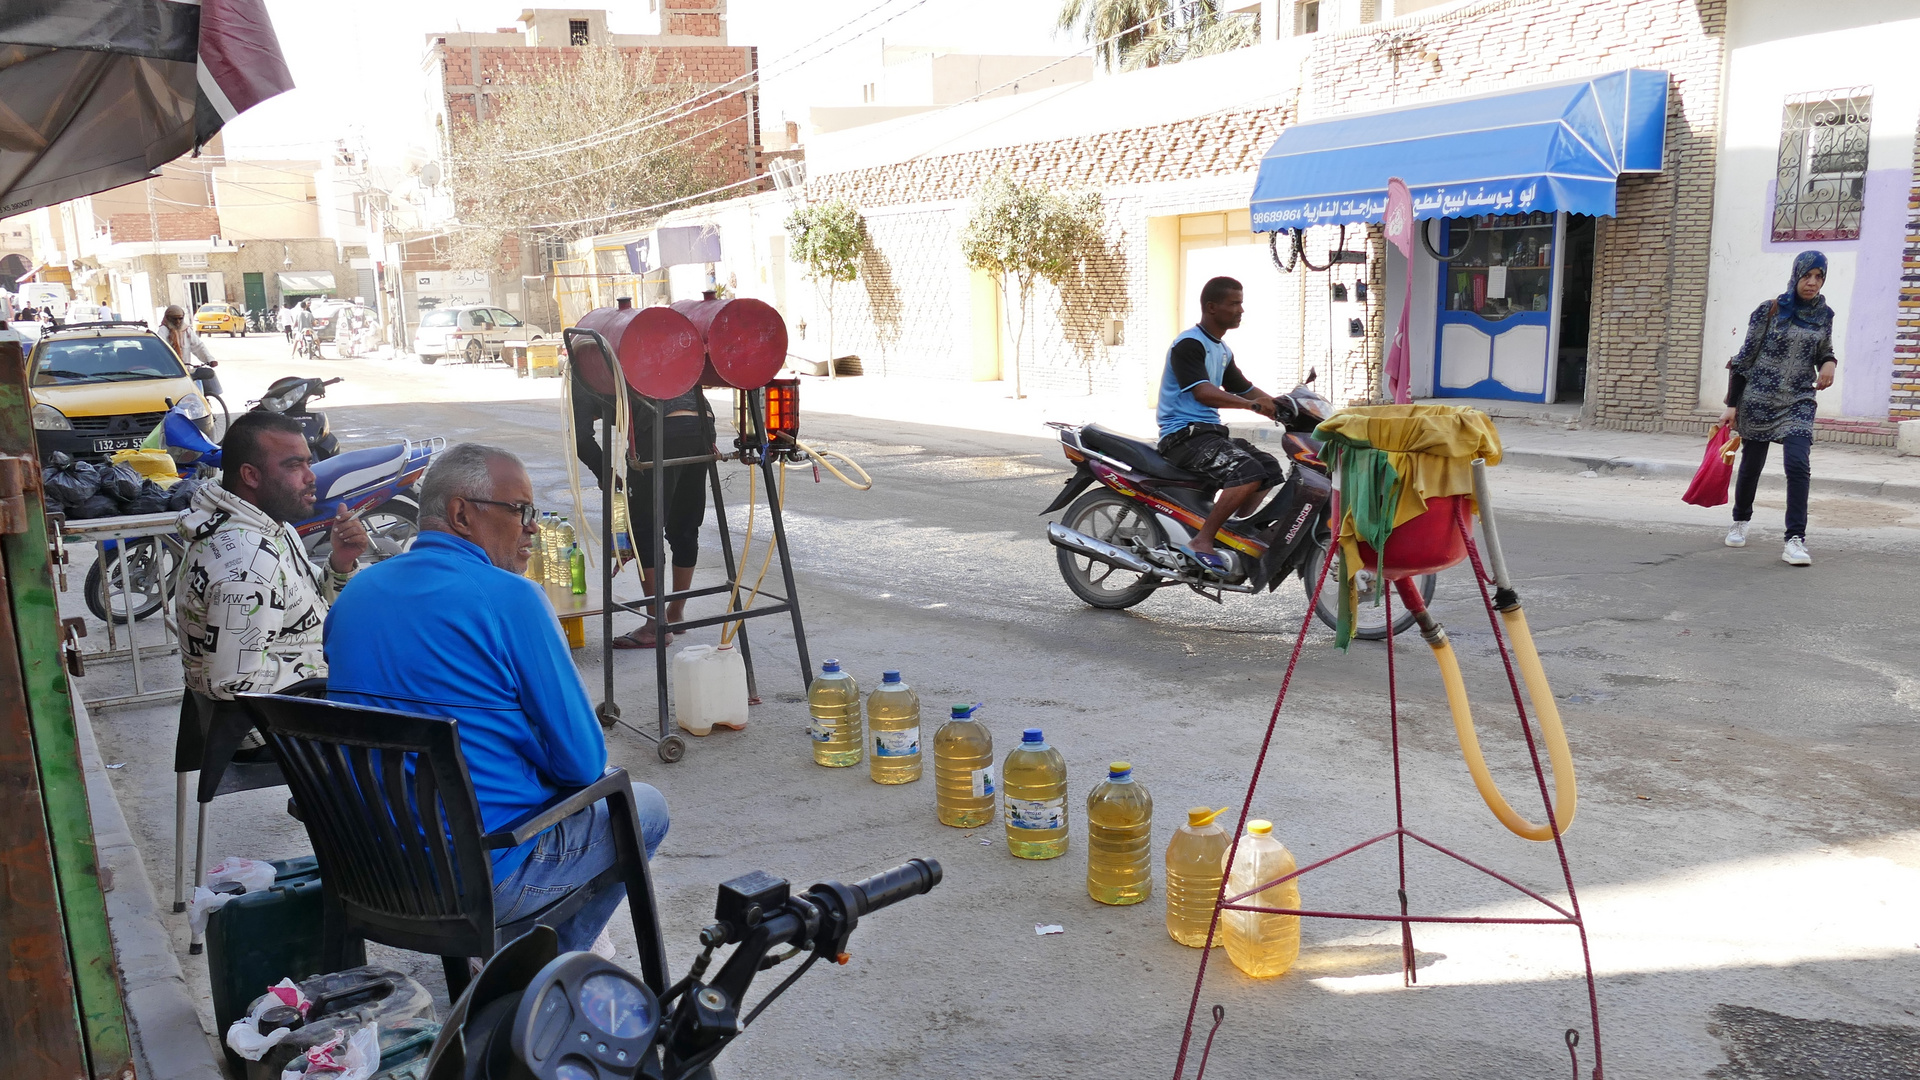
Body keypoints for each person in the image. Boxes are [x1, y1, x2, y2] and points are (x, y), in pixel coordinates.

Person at [324, 443, 670, 955]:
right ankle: (539, 976)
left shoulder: (356, 592)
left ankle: (522, 962)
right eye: (520, 510)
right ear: (462, 514)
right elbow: (583, 764)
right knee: (646, 807)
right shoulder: (511, 599)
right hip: (481, 879)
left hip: (372, 870)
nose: (531, 526)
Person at [177, 412, 370, 699]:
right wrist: (335, 667)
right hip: (276, 736)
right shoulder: (245, 563)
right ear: (251, 476)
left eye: (309, 462)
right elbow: (232, 682)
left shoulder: (272, 527)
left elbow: (305, 611)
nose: (310, 476)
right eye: (294, 466)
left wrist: (340, 564)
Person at [573, 347, 715, 650]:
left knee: (644, 532)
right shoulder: (642, 345)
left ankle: (656, 626)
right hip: (701, 424)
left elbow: (582, 437)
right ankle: (675, 613)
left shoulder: (583, 368)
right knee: (684, 526)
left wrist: (607, 475)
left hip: (658, 431)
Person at [1155, 275, 1285, 574]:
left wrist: (1284, 406)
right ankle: (1202, 540)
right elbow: (1203, 392)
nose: (1241, 310)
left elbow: (1244, 387)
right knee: (1246, 472)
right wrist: (1249, 405)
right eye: (1234, 304)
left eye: (1241, 303)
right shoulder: (1189, 344)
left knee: (1268, 467)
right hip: (1182, 435)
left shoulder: (1222, 349)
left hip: (1208, 434)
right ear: (1212, 307)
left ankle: (1229, 531)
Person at [1719, 250, 1838, 567]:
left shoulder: (1824, 315)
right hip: (1759, 398)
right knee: (1751, 465)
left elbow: (1825, 351)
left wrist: (1829, 364)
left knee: (1798, 465)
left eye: (1819, 277)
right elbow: (1743, 359)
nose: (1812, 283)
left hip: (1799, 400)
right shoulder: (1769, 311)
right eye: (1807, 276)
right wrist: (1732, 405)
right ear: (1796, 275)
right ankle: (1740, 520)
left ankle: (1795, 539)